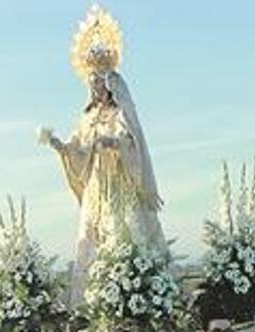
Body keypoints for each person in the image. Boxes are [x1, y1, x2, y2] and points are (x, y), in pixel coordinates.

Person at [42, 6, 166, 304]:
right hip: (97, 188)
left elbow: (130, 138)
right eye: (92, 83)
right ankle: (95, 305)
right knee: (92, 241)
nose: (95, 88)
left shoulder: (121, 111)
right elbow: (80, 147)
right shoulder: (87, 117)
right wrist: (61, 146)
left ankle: (139, 299)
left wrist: (113, 142)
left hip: (121, 183)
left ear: (110, 83)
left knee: (126, 236)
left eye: (100, 82)